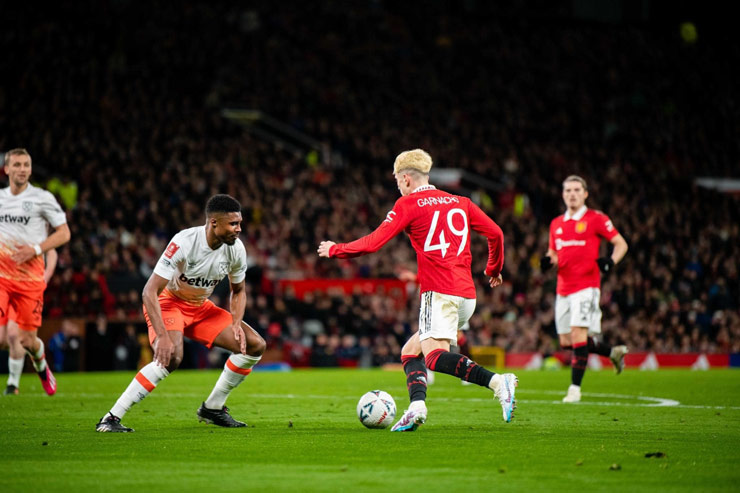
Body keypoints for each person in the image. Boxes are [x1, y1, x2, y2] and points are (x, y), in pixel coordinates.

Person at [318, 149, 518, 431]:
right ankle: (417, 408)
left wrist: (336, 249)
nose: (398, 187)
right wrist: (493, 269)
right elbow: (496, 233)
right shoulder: (461, 202)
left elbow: (374, 242)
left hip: (438, 292)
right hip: (467, 295)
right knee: (411, 353)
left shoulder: (408, 204)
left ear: (407, 178)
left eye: (398, 181)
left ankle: (498, 382)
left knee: (434, 357)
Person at [96, 194, 266, 432]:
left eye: (239, 223)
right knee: (172, 356)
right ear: (213, 223)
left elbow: (238, 291)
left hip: (200, 307)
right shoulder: (185, 242)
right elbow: (149, 291)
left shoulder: (236, 249)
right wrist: (163, 335)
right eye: (233, 224)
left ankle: (213, 408)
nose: (239, 229)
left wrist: (236, 322)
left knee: (255, 344)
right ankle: (111, 418)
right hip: (169, 302)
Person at [542, 175, 629, 403]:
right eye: (568, 190)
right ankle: (613, 352)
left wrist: (611, 261)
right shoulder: (556, 224)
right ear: (563, 194)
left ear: (585, 193)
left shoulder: (596, 218)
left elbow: (621, 243)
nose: (572, 194)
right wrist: (547, 261)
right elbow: (553, 254)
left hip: (586, 286)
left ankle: (574, 390)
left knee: (579, 335)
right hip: (563, 288)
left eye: (576, 190)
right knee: (566, 341)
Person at [0, 148, 70, 396]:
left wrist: (36, 249)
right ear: (7, 169)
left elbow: (64, 233)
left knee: (26, 340)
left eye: (26, 165)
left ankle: (42, 367)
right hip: (2, 278)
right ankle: (13, 384)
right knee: (3, 336)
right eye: (17, 164)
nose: (22, 169)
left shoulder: (42, 198)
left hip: (30, 281)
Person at [1, 248, 57, 394]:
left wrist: (47, 275)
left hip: (23, 286)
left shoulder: (34, 228)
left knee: (16, 336)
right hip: (3, 282)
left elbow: (52, 250)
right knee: (2, 340)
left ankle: (13, 383)